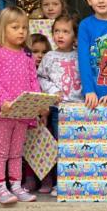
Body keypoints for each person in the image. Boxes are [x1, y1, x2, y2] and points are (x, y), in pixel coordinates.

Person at [0, 7, 46, 205]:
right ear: (3, 28)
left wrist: (40, 103)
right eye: (15, 27)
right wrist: (3, 101)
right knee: (1, 152)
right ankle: (0, 188)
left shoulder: (26, 56)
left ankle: (16, 186)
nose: (21, 32)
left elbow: (33, 81)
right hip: (3, 112)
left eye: (25, 28)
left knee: (17, 152)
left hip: (23, 113)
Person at [36, 13, 82, 195]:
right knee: (60, 145)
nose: (60, 35)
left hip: (79, 107)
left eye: (65, 31)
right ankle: (60, 182)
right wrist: (53, 91)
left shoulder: (80, 55)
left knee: (76, 145)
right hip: (58, 109)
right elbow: (40, 77)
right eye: (56, 31)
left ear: (75, 37)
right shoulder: (49, 56)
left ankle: (76, 180)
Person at [22, 33, 51, 192]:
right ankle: (30, 179)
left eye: (44, 52)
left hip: (44, 116)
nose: (40, 56)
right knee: (28, 147)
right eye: (35, 51)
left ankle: (47, 179)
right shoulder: (24, 70)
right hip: (27, 115)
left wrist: (44, 113)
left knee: (45, 146)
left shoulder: (47, 72)